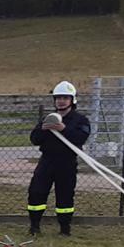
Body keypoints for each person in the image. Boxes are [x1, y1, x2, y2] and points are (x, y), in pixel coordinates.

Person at [27, 80, 94, 237]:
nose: (61, 101)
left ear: (72, 100)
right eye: (58, 98)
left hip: (67, 162)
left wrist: (64, 129)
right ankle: (34, 227)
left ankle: (65, 229)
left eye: (65, 97)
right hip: (47, 161)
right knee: (36, 192)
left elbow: (80, 138)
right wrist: (43, 130)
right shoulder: (47, 119)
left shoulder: (80, 120)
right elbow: (34, 139)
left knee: (65, 195)